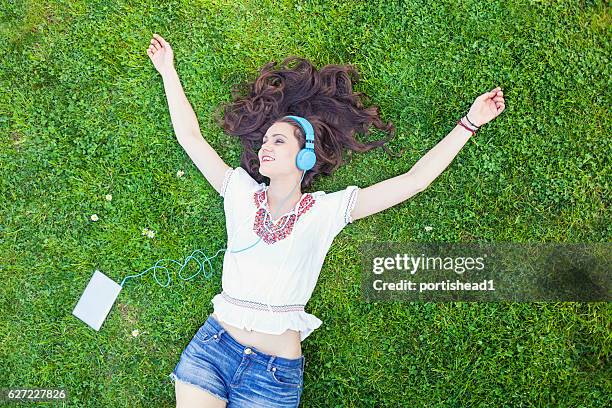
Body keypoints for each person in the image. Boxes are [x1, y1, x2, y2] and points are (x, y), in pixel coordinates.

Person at [146, 33, 505, 408]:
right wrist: (167, 71)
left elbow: (413, 182)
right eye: (265, 141)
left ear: (304, 158)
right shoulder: (238, 191)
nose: (266, 147)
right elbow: (190, 138)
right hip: (214, 350)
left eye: (279, 141)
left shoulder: (326, 210)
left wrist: (469, 123)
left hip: (271, 373)